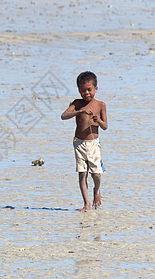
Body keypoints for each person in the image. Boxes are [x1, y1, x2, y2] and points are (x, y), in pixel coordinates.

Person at [61, 71, 108, 212]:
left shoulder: (100, 105)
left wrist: (97, 120)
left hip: (93, 143)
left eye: (89, 90)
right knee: (82, 173)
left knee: (96, 174)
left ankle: (96, 190)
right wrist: (79, 112)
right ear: (78, 90)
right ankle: (86, 203)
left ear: (96, 89)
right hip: (79, 143)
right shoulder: (77, 103)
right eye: (82, 90)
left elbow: (105, 126)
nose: (86, 93)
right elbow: (64, 116)